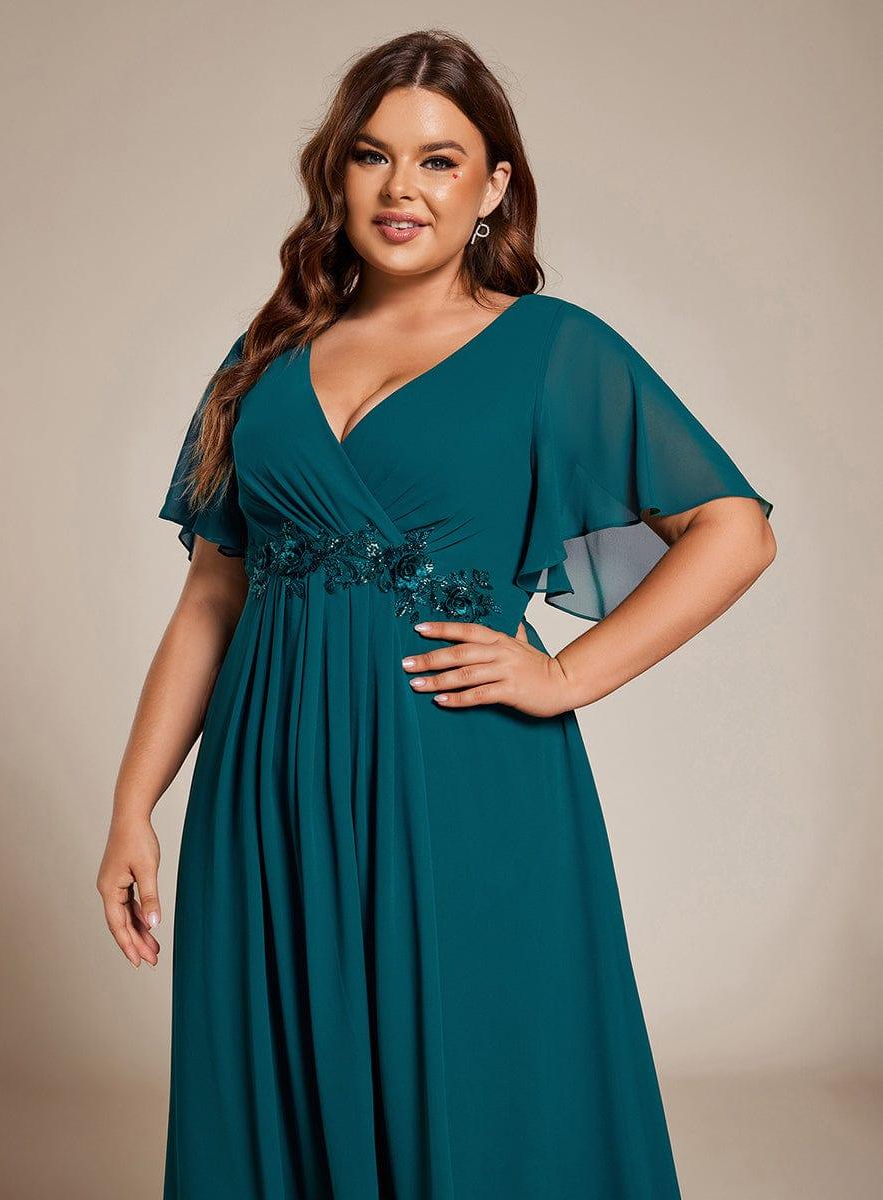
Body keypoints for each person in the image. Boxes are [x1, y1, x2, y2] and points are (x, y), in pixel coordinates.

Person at [97, 28, 776, 1200]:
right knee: (279, 1085)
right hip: (265, 787)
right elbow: (212, 594)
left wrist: (565, 674)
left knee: (477, 1078)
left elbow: (735, 530)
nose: (400, 189)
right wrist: (131, 806)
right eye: (372, 156)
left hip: (459, 772)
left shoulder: (553, 348)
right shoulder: (264, 357)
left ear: (493, 187)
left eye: (439, 161)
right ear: (338, 173)